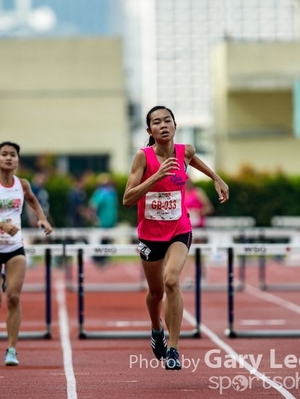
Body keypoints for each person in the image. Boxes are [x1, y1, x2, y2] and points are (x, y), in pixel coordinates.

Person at [122, 106, 229, 370]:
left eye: (167, 120)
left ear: (175, 125)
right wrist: (156, 176)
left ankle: (173, 348)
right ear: (149, 131)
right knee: (156, 293)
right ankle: (156, 328)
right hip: (150, 235)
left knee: (172, 281)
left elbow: (195, 161)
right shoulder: (142, 157)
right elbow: (127, 199)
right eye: (156, 122)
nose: (163, 125)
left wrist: (216, 178)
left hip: (179, 230)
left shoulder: (185, 151)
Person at [0, 141, 53, 367]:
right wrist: (1, 225)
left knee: (14, 297)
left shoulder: (22, 184)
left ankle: (12, 349)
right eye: (4, 155)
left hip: (15, 247)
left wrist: (42, 218)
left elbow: (33, 200)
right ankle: (1, 279)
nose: (9, 158)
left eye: (13, 155)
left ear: (17, 160)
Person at [89, 173, 118, 266]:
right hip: (102, 222)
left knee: (106, 241)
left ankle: (103, 258)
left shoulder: (112, 193)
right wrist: (94, 218)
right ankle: (99, 259)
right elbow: (93, 206)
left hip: (110, 221)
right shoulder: (100, 193)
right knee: (101, 241)